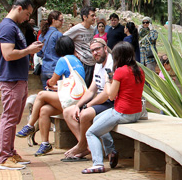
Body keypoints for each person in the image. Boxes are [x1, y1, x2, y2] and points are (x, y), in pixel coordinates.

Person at [82, 41, 145, 174]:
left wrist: (107, 81)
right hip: (136, 112)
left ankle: (98, 163)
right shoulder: (139, 70)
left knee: (91, 132)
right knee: (97, 119)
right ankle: (111, 151)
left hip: (122, 113)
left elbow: (111, 96)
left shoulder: (120, 71)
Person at [16, 36, 85, 156]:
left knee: (41, 95)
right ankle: (45, 144)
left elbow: (52, 81)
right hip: (78, 97)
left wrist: (49, 83)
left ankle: (30, 125)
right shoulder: (77, 60)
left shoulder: (63, 60)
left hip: (72, 99)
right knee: (44, 110)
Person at [0, 0, 43, 170]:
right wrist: (29, 50)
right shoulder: (7, 27)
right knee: (9, 118)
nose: (28, 18)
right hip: (11, 79)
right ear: (19, 8)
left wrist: (29, 50)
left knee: (14, 118)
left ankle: (10, 151)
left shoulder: (14, 27)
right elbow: (8, 54)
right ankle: (4, 157)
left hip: (18, 79)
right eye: (27, 14)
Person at [62, 38, 114, 161]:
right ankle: (84, 145)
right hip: (101, 100)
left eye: (97, 49)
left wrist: (88, 105)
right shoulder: (97, 65)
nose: (95, 53)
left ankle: (81, 146)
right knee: (68, 112)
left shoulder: (111, 64)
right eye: (92, 51)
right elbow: (91, 90)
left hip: (112, 101)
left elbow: (107, 93)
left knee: (85, 114)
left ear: (105, 48)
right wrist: (78, 105)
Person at [64, 6, 97, 87]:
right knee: (82, 88)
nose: (94, 18)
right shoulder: (77, 29)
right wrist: (73, 52)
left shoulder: (92, 29)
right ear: (85, 17)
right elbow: (64, 39)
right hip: (83, 64)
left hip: (93, 63)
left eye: (95, 15)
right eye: (92, 15)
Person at [37, 11, 64, 89]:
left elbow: (39, 53)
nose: (62, 22)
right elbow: (62, 52)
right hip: (56, 69)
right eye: (61, 20)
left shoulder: (42, 34)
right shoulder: (58, 34)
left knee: (46, 96)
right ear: (53, 20)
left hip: (44, 68)